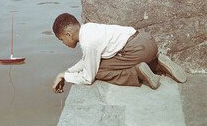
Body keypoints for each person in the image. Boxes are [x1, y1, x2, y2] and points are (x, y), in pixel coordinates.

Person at [51, 13, 186, 93]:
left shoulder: (88, 43)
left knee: (98, 71)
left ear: (69, 34)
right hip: (148, 41)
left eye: (62, 40)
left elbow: (88, 77)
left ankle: (137, 73)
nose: (63, 43)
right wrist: (65, 72)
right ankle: (156, 64)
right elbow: (87, 60)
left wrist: (68, 77)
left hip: (137, 49)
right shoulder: (89, 28)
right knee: (97, 64)